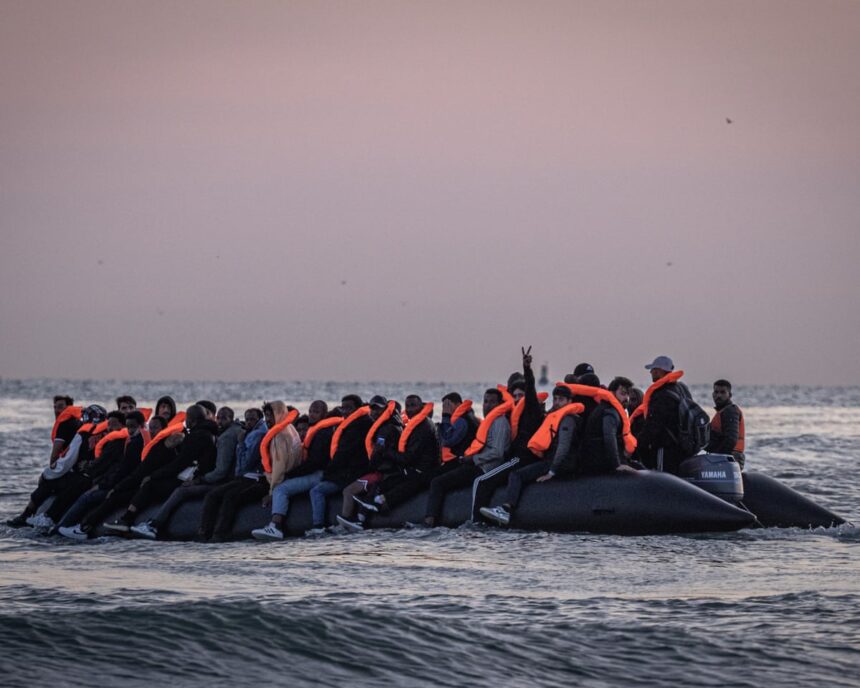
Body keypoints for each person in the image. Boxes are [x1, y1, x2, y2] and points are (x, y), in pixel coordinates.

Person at [130, 406, 242, 539]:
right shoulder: (219, 432)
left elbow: (220, 471)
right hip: (223, 478)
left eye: (224, 418)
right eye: (219, 417)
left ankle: (155, 524)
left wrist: (199, 480)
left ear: (192, 420)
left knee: (181, 491)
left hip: (221, 481)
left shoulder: (224, 437)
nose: (220, 421)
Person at [101, 405, 217, 533]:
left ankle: (130, 519)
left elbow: (180, 463)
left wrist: (154, 475)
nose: (186, 422)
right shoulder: (208, 433)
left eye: (188, 419)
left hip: (194, 477)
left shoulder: (197, 436)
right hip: (194, 474)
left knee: (150, 485)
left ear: (193, 420)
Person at [480, 385, 585, 526]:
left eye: (561, 400)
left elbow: (563, 447)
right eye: (555, 399)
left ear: (569, 401)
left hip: (558, 464)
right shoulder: (554, 417)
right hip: (554, 461)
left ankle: (506, 509)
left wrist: (552, 471)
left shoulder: (568, 420)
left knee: (516, 475)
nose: (557, 403)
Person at [342, 395, 440, 530]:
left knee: (350, 490)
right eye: (408, 406)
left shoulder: (401, 427)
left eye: (413, 405)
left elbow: (405, 457)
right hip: (400, 468)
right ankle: (368, 509)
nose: (410, 409)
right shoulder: (405, 425)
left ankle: (366, 512)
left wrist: (384, 453)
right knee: (385, 483)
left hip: (412, 470)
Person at [473, 347, 546, 521]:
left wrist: (527, 369)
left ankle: (477, 523)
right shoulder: (512, 415)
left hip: (523, 458)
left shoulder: (532, 411)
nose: (517, 398)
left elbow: (530, 391)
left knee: (483, 481)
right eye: (514, 395)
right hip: (515, 457)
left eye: (521, 395)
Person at [422, 388, 511, 528]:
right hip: (475, 463)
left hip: (485, 467)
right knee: (437, 478)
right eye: (485, 401)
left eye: (492, 402)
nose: (487, 405)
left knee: (439, 482)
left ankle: (432, 522)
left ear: (500, 404)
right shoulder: (488, 421)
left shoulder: (499, 422)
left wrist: (474, 459)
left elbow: (497, 452)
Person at [251, 400, 340, 541]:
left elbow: (312, 463)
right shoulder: (292, 430)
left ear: (324, 414)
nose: (311, 415)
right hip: (315, 471)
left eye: (316, 412)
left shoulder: (284, 435)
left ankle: (276, 526)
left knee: (281, 490)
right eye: (310, 411)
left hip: (320, 474)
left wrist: (278, 486)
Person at [57, 411, 150, 540]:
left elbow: (125, 470)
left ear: (142, 425)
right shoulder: (138, 440)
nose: (130, 430)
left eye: (133, 427)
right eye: (128, 427)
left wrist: (108, 486)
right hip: (127, 482)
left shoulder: (135, 444)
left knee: (89, 497)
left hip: (129, 484)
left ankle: (78, 528)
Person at [306, 395, 372, 534]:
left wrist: (328, 473)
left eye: (349, 408)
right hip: (352, 471)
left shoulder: (356, 427)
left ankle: (318, 526)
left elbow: (343, 454)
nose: (346, 412)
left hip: (351, 474)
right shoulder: (359, 423)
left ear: (358, 409)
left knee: (317, 490)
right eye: (344, 408)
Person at [335, 396, 402, 527]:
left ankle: (347, 521)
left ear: (386, 410)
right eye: (373, 409)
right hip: (385, 470)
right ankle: (360, 518)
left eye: (379, 409)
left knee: (348, 491)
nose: (375, 412)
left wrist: (369, 468)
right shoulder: (389, 425)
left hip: (383, 473)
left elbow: (379, 453)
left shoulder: (386, 429)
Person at [637, 355, 691, 475]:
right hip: (681, 446)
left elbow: (655, 424)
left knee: (663, 477)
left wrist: (640, 443)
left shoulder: (662, 394)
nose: (651, 372)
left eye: (653, 370)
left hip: (665, 446)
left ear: (658, 371)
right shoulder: (681, 389)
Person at [578, 376, 638, 475]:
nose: (626, 398)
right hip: (600, 461)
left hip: (598, 458)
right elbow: (609, 437)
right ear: (612, 393)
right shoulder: (610, 412)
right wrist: (617, 465)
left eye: (627, 394)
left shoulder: (606, 407)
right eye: (623, 394)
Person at [706, 379, 746, 468]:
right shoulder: (722, 412)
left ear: (730, 395)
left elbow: (731, 440)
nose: (718, 395)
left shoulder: (730, 411)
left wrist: (717, 456)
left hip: (731, 456)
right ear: (712, 394)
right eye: (716, 392)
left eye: (723, 392)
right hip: (726, 456)